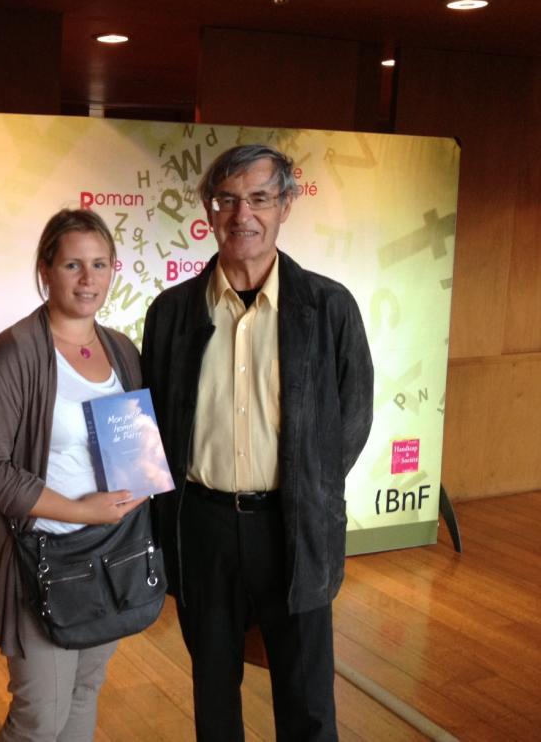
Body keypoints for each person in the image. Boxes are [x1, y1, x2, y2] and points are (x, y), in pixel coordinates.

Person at [141, 144, 374, 741]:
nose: (242, 214)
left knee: (307, 697)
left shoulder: (329, 307)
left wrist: (308, 487)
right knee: (213, 692)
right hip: (204, 526)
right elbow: (160, 423)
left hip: (293, 525)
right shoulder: (171, 313)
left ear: (286, 206)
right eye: (227, 200)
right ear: (209, 210)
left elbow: (351, 417)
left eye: (259, 198)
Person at [0, 208, 145, 742]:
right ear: (45, 270)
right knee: (39, 716)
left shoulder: (122, 350)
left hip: (113, 556)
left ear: (114, 270)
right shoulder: (12, 354)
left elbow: (134, 448)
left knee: (86, 691)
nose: (88, 279)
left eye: (99, 264)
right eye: (72, 265)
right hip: (45, 559)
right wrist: (81, 509)